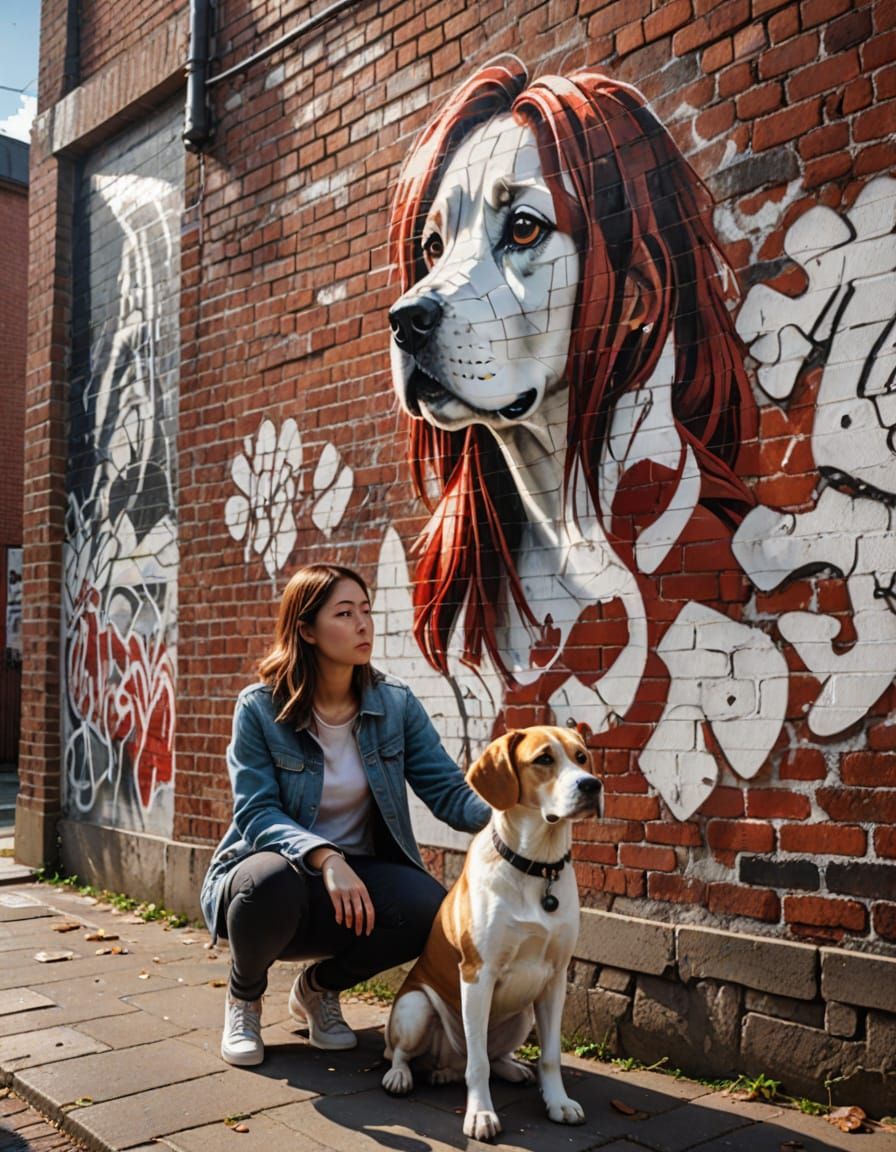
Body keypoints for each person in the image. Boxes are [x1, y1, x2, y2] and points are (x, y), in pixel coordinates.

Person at [200, 562, 490, 1066]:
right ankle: (244, 997)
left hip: (358, 883)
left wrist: (515, 823)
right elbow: (257, 812)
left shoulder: (394, 704)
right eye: (345, 613)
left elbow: (446, 790)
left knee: (430, 910)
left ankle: (319, 989)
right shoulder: (259, 708)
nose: (363, 625)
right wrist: (326, 857)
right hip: (274, 876)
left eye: (366, 611)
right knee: (266, 883)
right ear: (307, 630)